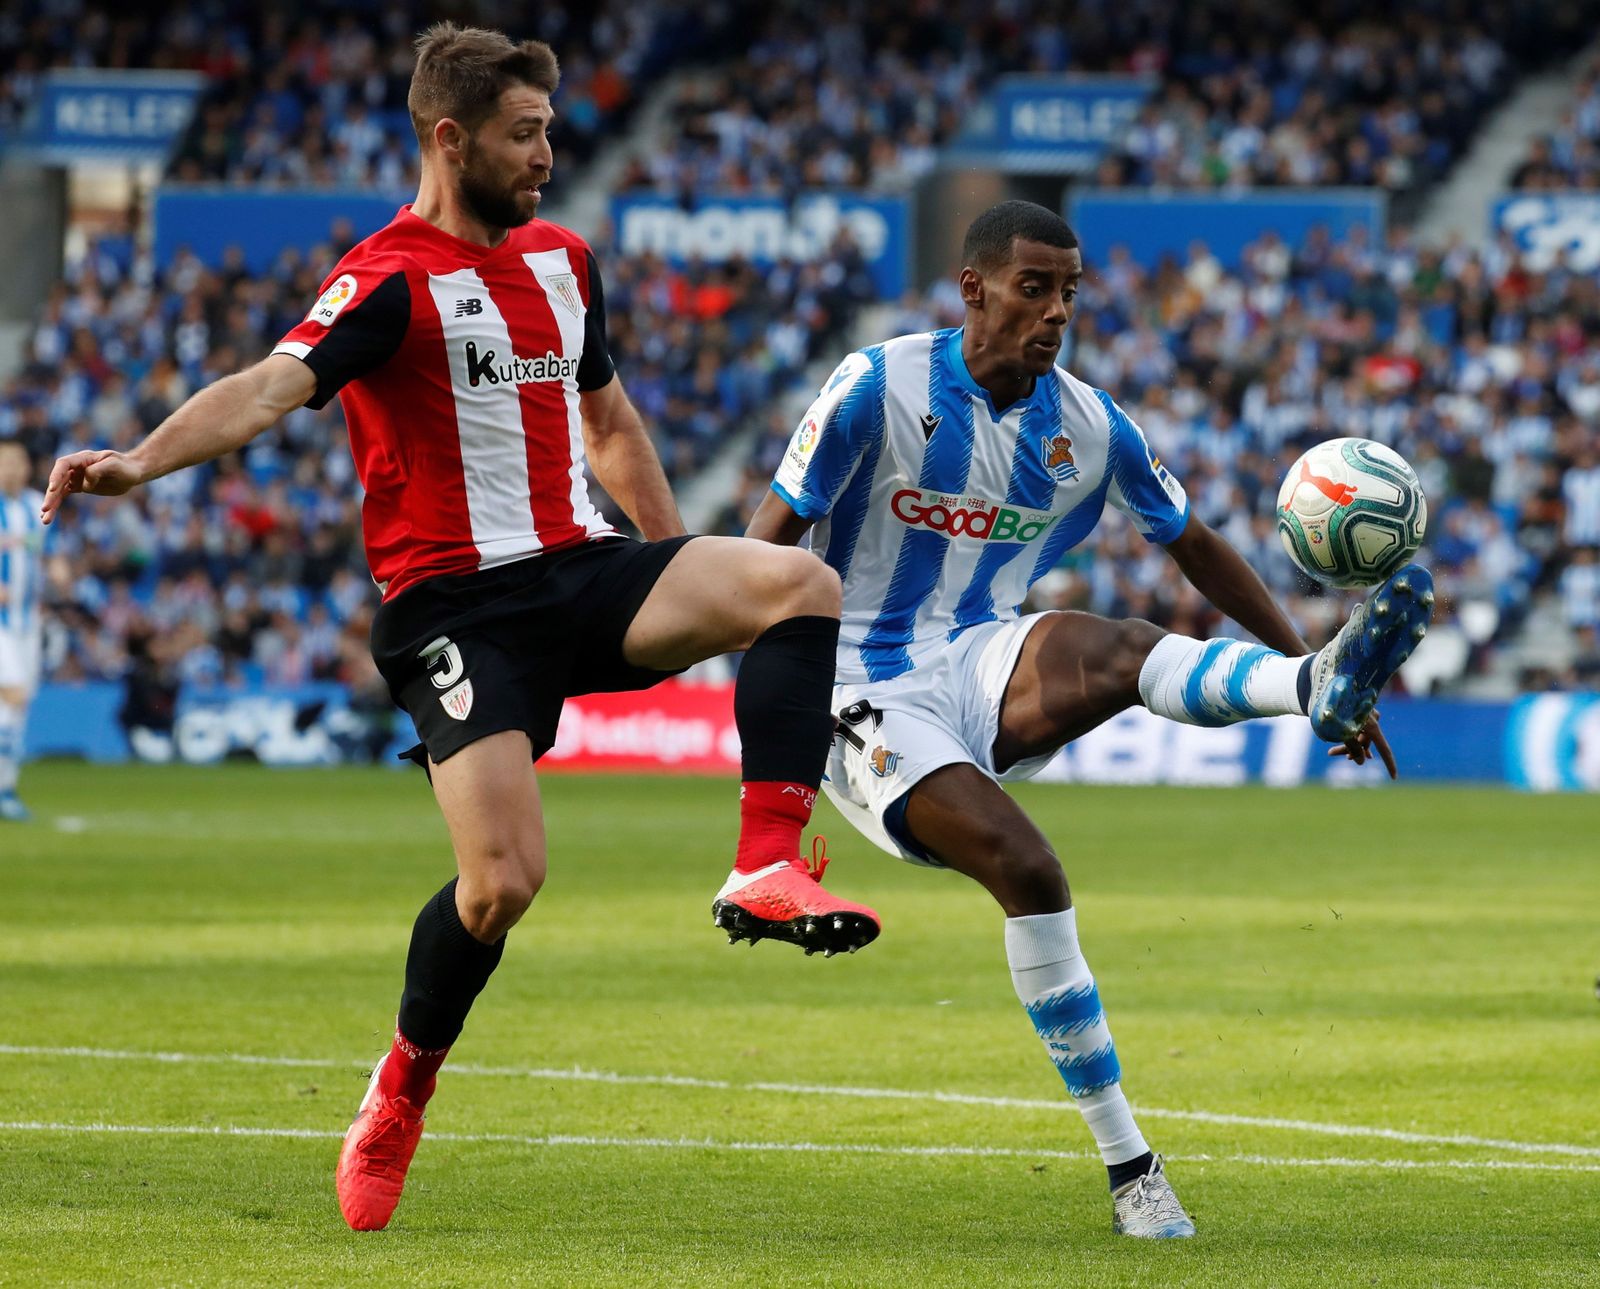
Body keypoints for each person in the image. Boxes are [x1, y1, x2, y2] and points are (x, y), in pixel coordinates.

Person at [42, 23, 881, 1233]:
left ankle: (768, 862)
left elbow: (614, 424)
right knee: (501, 884)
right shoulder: (385, 275)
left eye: (548, 130)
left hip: (583, 569)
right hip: (453, 608)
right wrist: (137, 462)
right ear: (451, 137)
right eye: (524, 132)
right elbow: (268, 388)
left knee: (793, 585)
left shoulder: (564, 261)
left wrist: (668, 556)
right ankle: (400, 1087)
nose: (547, 152)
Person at [746, 201, 1434, 1239]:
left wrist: (1299, 654)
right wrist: (776, 769)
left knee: (1114, 639)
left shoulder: (1087, 424)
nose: (1056, 310)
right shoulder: (872, 387)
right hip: (855, 685)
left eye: (1069, 291)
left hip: (979, 651)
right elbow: (763, 555)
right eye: (1034, 287)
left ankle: (1312, 689)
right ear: (972, 288)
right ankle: (1132, 1167)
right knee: (1030, 871)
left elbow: (1192, 542)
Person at [0, 440, 46, 821]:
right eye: (7, 462)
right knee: (12, 696)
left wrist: (61, 571)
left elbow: (49, 553)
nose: (14, 468)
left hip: (29, 624)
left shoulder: (37, 506)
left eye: (20, 461)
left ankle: (7, 789)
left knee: (18, 707)